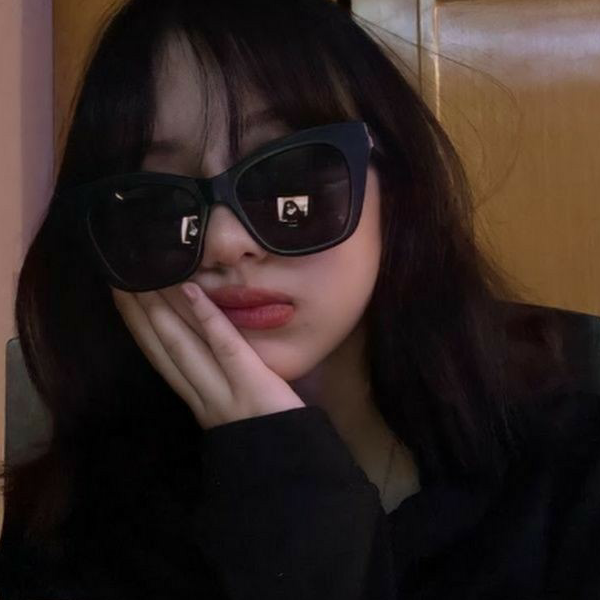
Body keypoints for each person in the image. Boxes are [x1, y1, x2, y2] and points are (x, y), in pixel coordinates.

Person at [1, 0, 599, 598]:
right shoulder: (71, 528)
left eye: (289, 177)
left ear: (395, 191)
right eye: (157, 202)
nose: (224, 243)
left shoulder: (572, 473)